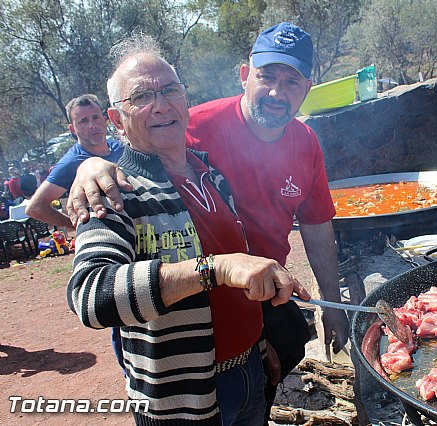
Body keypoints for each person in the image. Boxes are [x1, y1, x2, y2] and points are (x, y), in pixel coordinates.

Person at [67, 22, 350, 424]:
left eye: (170, 91)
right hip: (183, 391)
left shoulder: (209, 175)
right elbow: (92, 296)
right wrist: (92, 164)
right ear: (117, 118)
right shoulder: (116, 191)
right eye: (142, 97)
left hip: (248, 362)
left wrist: (255, 342)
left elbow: (262, 252)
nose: (162, 105)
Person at [25, 94, 124, 230]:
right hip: (106, 236)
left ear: (104, 119)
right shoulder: (71, 162)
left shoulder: (121, 147)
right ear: (72, 129)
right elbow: (35, 208)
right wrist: (78, 226)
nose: (92, 125)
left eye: (95, 118)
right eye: (83, 121)